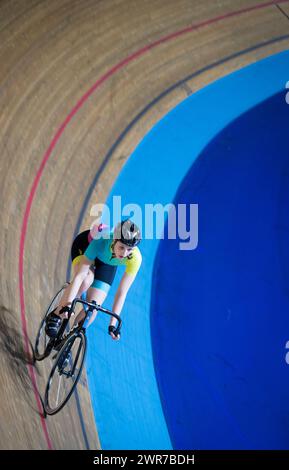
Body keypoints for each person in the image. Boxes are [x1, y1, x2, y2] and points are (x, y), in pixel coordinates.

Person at [45, 219, 142, 341]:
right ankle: (56, 314)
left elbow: (122, 292)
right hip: (86, 246)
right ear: (114, 240)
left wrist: (112, 323)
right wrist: (68, 304)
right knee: (86, 280)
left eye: (129, 250)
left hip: (107, 262)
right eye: (122, 247)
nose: (124, 253)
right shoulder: (101, 241)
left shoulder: (135, 259)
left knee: (93, 309)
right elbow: (80, 276)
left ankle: (67, 341)